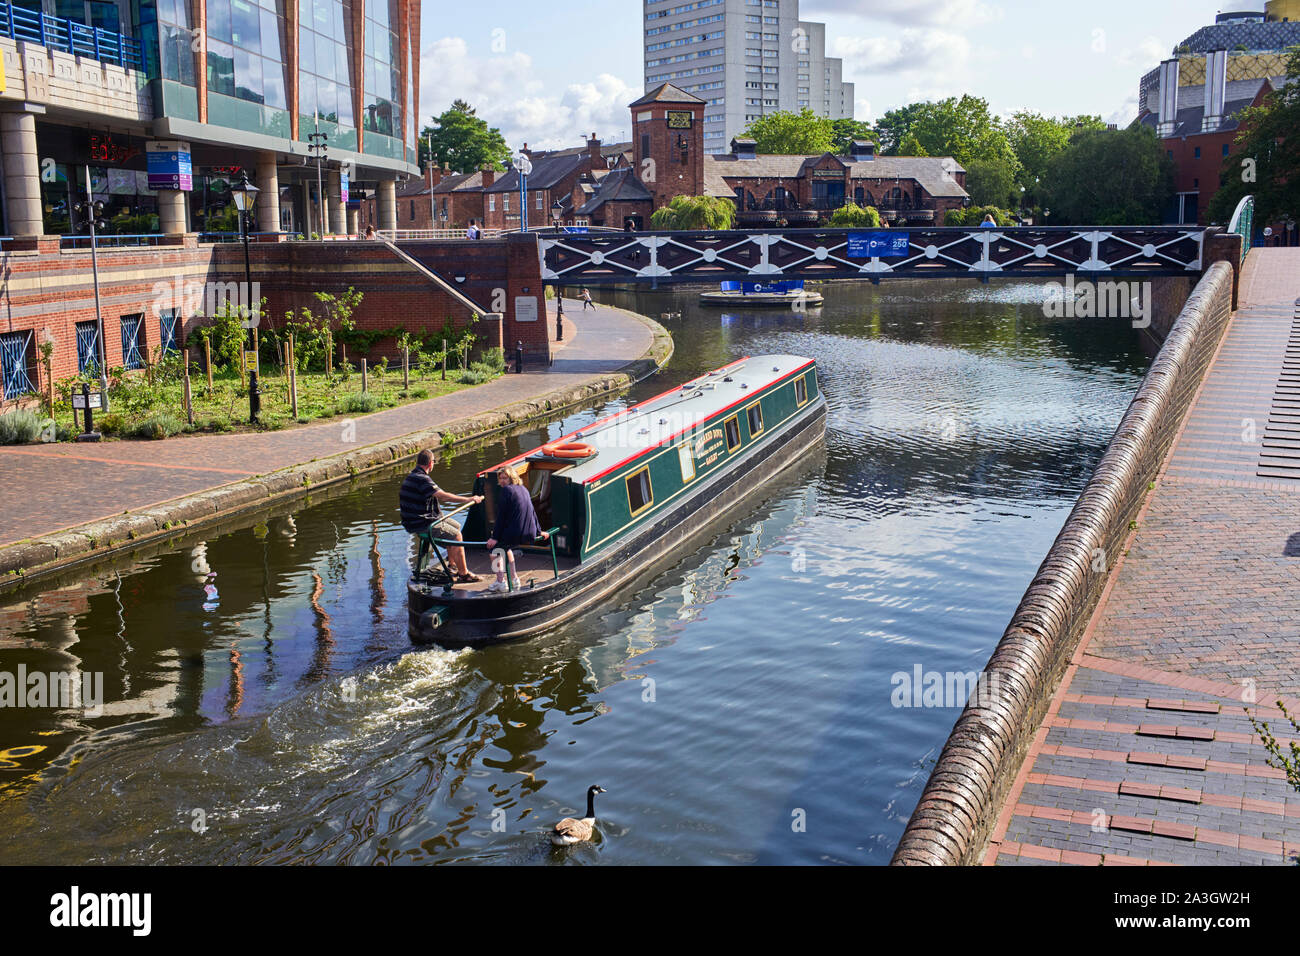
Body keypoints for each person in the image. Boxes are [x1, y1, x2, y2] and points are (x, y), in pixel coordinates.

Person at [399, 449, 484, 582]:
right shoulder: (422, 479)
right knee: (456, 535)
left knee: (456, 525)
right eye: (434, 461)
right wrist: (469, 499)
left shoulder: (413, 476)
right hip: (422, 523)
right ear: (430, 463)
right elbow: (443, 496)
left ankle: (452, 565)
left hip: (419, 520)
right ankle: (464, 574)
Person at [485, 465, 548, 592]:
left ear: (512, 478)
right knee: (506, 548)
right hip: (528, 532)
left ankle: (500, 582)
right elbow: (532, 512)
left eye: (505, 478)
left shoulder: (506, 491)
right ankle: (514, 579)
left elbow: (501, 516)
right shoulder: (523, 489)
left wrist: (494, 538)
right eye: (501, 478)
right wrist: (538, 530)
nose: (502, 481)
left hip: (515, 533)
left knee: (494, 551)